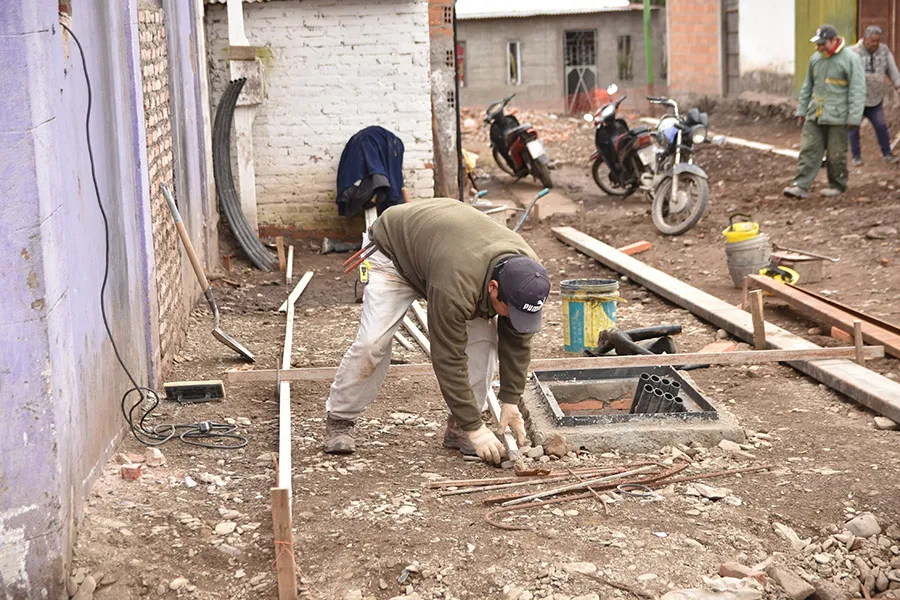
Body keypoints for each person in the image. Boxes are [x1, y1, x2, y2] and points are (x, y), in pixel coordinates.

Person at [323, 198, 551, 465]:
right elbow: (448, 357)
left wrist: (511, 399)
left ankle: (459, 427)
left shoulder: (527, 276)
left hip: (444, 248)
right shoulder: (455, 286)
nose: (514, 318)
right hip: (394, 251)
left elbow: (518, 338)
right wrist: (477, 429)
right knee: (372, 344)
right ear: (493, 288)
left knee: (484, 344)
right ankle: (340, 418)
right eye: (510, 310)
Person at [784, 25, 866, 199]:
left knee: (836, 154)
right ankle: (801, 186)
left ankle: (837, 185)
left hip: (838, 116)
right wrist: (802, 110)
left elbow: (858, 89)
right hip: (816, 114)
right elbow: (807, 86)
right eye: (818, 44)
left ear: (834, 40)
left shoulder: (850, 59)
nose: (820, 47)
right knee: (808, 149)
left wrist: (854, 116)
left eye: (823, 44)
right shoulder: (816, 59)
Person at [849, 25, 900, 165]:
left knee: (881, 126)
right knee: (853, 127)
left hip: (875, 98)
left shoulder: (884, 51)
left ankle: (887, 154)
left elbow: (892, 70)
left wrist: (898, 85)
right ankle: (856, 157)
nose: (876, 44)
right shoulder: (851, 52)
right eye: (873, 41)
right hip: (856, 99)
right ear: (865, 39)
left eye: (878, 41)